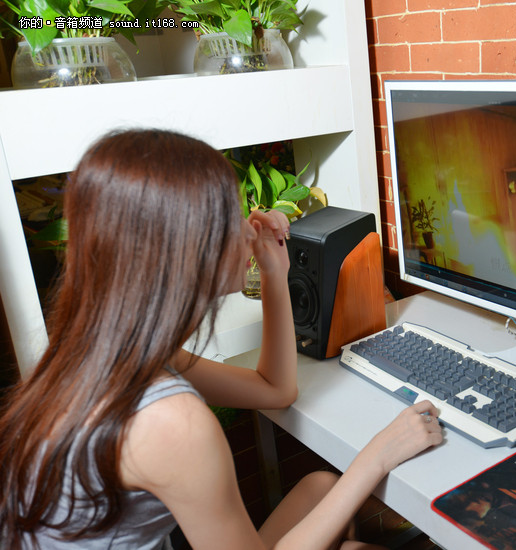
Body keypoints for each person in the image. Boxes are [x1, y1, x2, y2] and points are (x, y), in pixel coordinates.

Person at [0, 129, 443, 550]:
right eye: (231, 215)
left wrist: (274, 272)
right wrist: (377, 456)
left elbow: (275, 390)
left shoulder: (114, 351)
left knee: (322, 488)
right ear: (190, 253)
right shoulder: (174, 422)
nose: (250, 227)